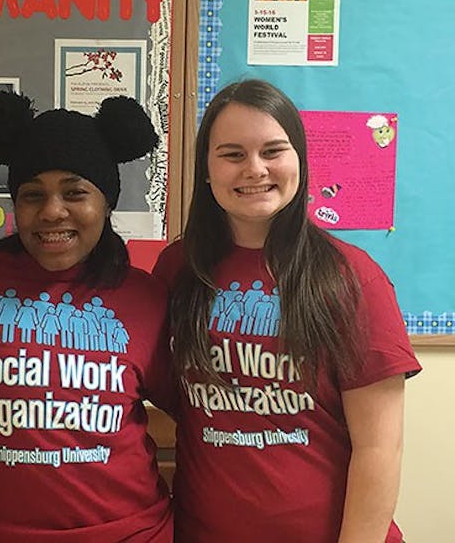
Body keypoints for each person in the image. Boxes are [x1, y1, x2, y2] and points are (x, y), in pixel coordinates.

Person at [152, 79, 421, 542]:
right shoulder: (178, 270)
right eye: (233, 154)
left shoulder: (351, 277)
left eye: (273, 151)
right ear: (206, 169)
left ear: (299, 159)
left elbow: (379, 447)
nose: (255, 169)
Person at [0, 91, 175, 541]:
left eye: (75, 193)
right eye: (33, 195)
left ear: (106, 203)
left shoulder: (145, 298)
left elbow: (203, 411)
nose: (52, 211)